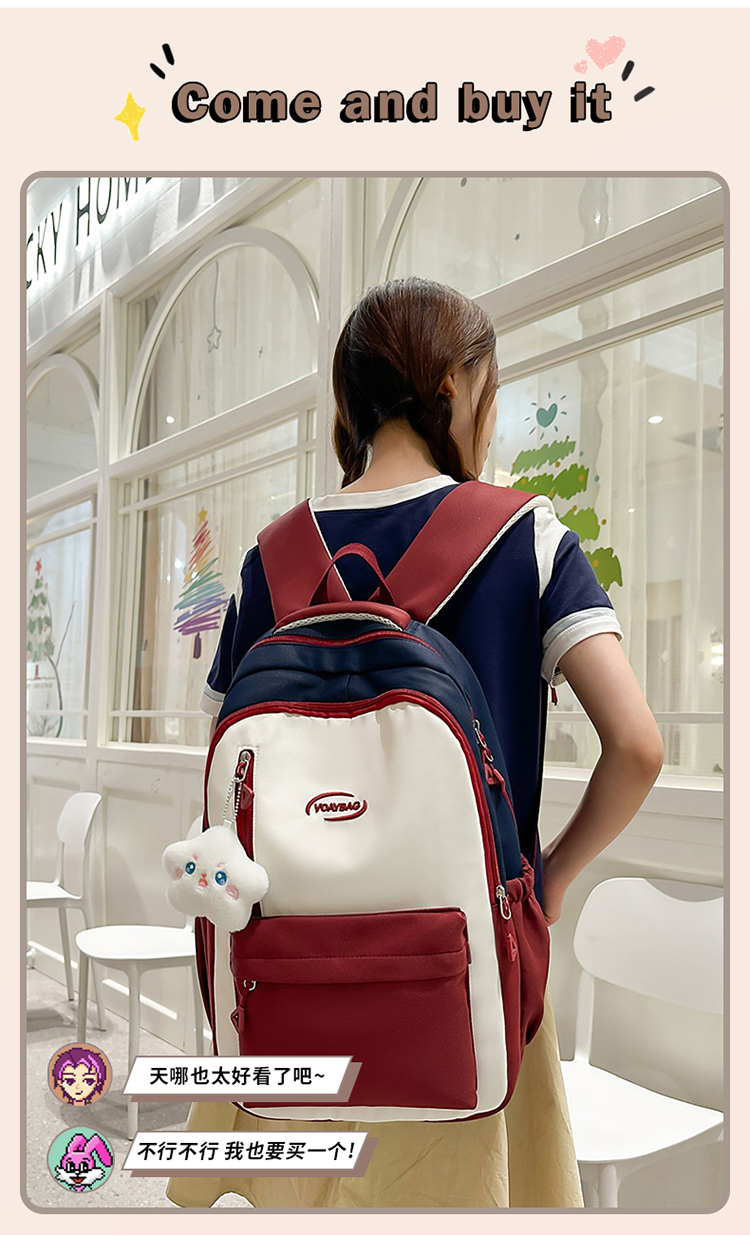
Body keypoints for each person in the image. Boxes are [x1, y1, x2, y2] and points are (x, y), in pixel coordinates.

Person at [167, 277, 663, 1210]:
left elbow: (232, 762)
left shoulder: (272, 558)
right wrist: (549, 878)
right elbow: (636, 746)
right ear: (458, 387)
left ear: (348, 399)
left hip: (290, 979)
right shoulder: (527, 538)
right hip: (465, 979)